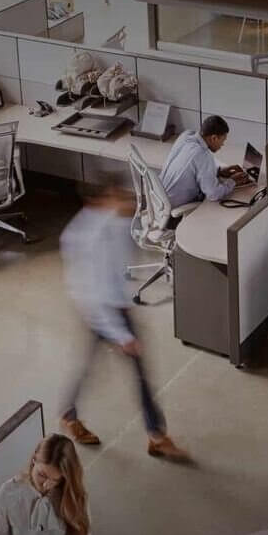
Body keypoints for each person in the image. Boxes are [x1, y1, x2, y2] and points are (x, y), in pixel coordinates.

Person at [59, 175, 188, 460]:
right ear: (97, 201)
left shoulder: (115, 221)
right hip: (101, 312)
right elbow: (91, 293)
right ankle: (156, 435)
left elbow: (120, 269)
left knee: (91, 365)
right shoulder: (83, 238)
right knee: (137, 373)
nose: (128, 201)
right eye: (117, 196)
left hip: (116, 306)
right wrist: (122, 335)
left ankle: (69, 413)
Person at [160, 115, 251, 210]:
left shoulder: (186, 135)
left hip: (159, 198)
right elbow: (213, 194)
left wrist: (218, 171)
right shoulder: (203, 154)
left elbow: (195, 168)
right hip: (171, 206)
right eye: (222, 141)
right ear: (214, 138)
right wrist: (233, 181)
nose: (222, 145)